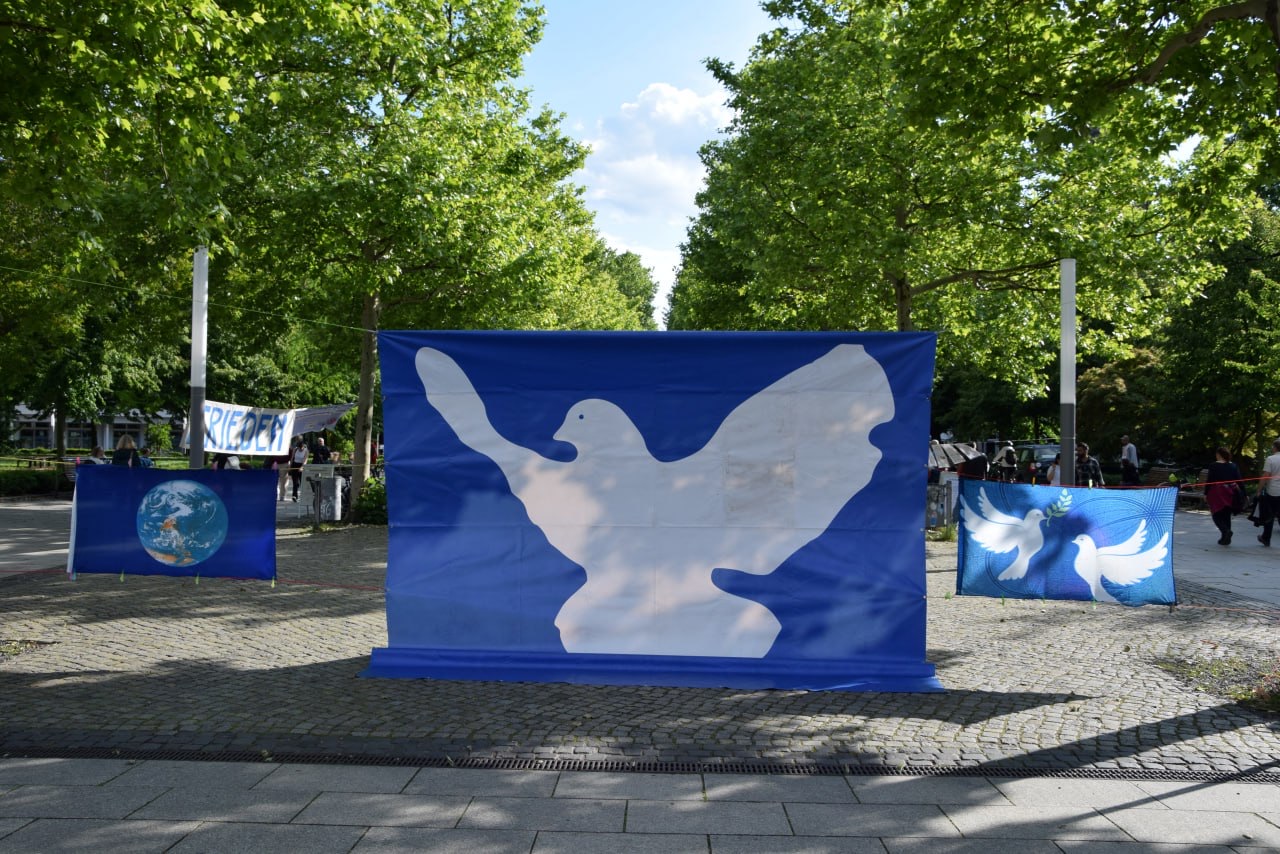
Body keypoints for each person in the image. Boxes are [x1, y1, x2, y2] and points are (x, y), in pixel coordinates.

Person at [1206, 446, 1243, 546]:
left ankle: (1225, 531)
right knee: (1227, 514)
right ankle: (1226, 538)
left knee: (1216, 514)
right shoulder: (1233, 465)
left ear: (1219, 455)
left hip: (1217, 492)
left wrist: (1206, 493)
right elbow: (1239, 480)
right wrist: (1243, 493)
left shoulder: (1213, 465)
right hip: (1230, 492)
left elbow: (1210, 480)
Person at [1257, 438, 1280, 547]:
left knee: (1269, 515)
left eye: (1272, 446)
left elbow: (1265, 476)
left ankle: (1266, 538)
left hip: (1273, 491)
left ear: (1275, 447)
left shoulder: (1271, 459)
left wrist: (1259, 490)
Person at [288, 436, 308, 501]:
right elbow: (292, 458)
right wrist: (290, 466)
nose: (300, 449)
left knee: (302, 482)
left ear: (303, 446)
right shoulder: (295, 449)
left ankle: (303, 496)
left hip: (302, 465)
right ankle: (294, 496)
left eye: (301, 448)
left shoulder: (306, 451)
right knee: (295, 483)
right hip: (294, 465)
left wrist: (302, 467)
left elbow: (305, 460)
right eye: (299, 448)